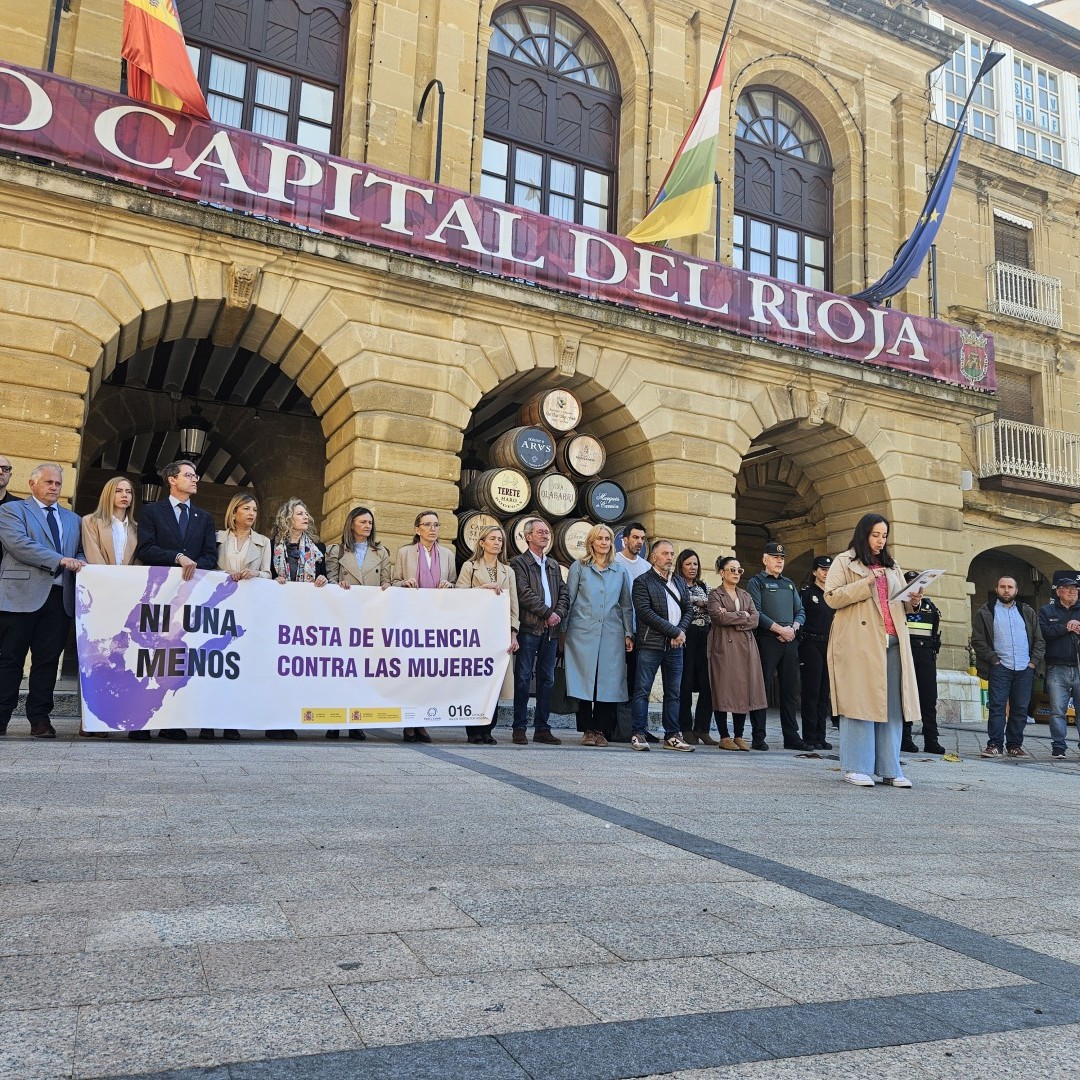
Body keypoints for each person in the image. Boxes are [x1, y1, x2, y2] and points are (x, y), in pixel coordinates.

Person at [823, 513, 922, 788]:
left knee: (892, 706)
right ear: (864, 534)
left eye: (884, 536)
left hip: (892, 641)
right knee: (860, 702)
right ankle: (856, 766)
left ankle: (891, 767)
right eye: (876, 535)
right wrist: (865, 583)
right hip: (859, 642)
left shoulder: (892, 566)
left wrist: (914, 600)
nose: (881, 541)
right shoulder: (844, 561)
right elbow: (831, 597)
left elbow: (900, 602)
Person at [0, 464, 86, 739]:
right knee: (9, 659)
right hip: (20, 597)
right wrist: (60, 560)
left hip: (59, 599)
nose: (54, 487)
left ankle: (40, 719)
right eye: (48, 482)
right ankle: (1, 717)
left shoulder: (73, 519)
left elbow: (82, 551)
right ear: (32, 484)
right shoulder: (11, 511)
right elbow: (19, 545)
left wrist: (82, 561)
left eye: (58, 483)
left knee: (47, 662)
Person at [136, 460, 218, 742]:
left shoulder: (204, 517)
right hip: (158, 596)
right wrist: (177, 558)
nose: (195, 480)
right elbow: (146, 548)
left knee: (180, 656)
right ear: (172, 479)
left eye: (195, 475)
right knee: (151, 654)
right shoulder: (151, 512)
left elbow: (210, 555)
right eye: (189, 475)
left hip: (189, 598)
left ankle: (173, 721)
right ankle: (142, 721)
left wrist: (195, 566)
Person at [79, 476, 140, 738]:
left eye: (128, 491)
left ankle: (113, 716)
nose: (124, 495)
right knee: (96, 657)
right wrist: (113, 583)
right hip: (101, 595)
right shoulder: (90, 521)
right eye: (119, 491)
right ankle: (89, 720)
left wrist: (128, 584)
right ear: (108, 494)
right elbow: (93, 556)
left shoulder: (137, 527)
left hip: (128, 598)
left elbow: (140, 560)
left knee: (121, 658)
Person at [564, 524, 633, 747]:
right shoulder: (579, 567)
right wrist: (562, 632)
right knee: (582, 680)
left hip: (611, 633)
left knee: (608, 682)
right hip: (582, 632)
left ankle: (600, 730)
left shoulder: (620, 570)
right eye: (600, 538)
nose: (604, 542)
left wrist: (628, 632)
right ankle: (587, 730)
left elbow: (626, 605)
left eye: (607, 539)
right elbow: (569, 599)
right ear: (591, 542)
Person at [210, 492, 272, 741]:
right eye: (246, 508)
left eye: (254, 510)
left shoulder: (263, 542)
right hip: (219, 608)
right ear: (234, 512)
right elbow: (208, 568)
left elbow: (269, 573)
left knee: (238, 667)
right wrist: (225, 574)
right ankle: (208, 722)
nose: (251, 513)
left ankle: (231, 722)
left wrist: (254, 574)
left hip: (247, 610)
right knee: (215, 666)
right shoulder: (217, 538)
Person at [268, 498, 328, 740]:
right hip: (278, 614)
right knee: (276, 668)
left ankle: (289, 719)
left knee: (295, 670)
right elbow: (268, 574)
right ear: (288, 518)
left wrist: (323, 581)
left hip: (303, 616)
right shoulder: (273, 546)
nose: (306, 517)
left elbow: (323, 577)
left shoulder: (317, 547)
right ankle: (273, 722)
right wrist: (274, 581)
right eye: (300, 513)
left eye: (306, 513)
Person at [394, 510, 456, 742]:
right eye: (427, 524)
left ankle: (423, 723)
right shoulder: (405, 552)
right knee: (410, 672)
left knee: (429, 673)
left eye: (436, 525)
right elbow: (393, 582)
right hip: (411, 620)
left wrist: (448, 585)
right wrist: (404, 583)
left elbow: (454, 583)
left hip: (436, 622)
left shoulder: (448, 555)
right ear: (417, 529)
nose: (433, 529)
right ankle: (409, 723)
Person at [455, 524, 519, 744]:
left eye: (499, 539)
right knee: (475, 681)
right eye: (492, 539)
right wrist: (482, 590)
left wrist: (513, 633)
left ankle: (488, 729)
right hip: (475, 632)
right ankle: (473, 731)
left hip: (498, 633)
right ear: (482, 543)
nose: (497, 543)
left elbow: (513, 605)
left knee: (494, 681)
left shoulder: (507, 571)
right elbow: (459, 594)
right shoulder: (469, 567)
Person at [630, 539, 694, 752]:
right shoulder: (642, 581)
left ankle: (672, 735)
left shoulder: (679, 582)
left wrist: (681, 631)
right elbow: (645, 613)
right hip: (651, 643)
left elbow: (688, 610)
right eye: (665, 553)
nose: (669, 558)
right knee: (642, 690)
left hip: (676, 646)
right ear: (654, 557)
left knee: (673, 692)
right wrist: (674, 631)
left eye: (671, 554)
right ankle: (638, 733)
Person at [747, 541, 811, 751]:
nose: (779, 561)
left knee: (790, 691)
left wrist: (792, 628)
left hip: (789, 640)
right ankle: (758, 736)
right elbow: (756, 612)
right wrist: (780, 630)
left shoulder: (789, 584)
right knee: (762, 688)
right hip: (768, 640)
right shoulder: (757, 582)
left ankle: (791, 737)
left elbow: (800, 610)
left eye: (782, 558)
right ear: (765, 559)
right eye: (775, 557)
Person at [971, 575, 1044, 759]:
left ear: (1016, 590)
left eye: (1010, 587)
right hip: (1000, 667)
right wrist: (994, 660)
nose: (1006, 590)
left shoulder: (1027, 611)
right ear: (997, 589)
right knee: (997, 707)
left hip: (1024, 668)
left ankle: (1014, 745)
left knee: (1020, 709)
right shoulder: (986, 611)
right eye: (1002, 586)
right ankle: (994, 745)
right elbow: (978, 641)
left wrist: (1032, 663)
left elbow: (1039, 640)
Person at [509, 517, 568, 746]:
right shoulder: (518, 563)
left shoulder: (553, 565)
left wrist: (558, 614)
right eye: (540, 532)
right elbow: (523, 593)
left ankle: (542, 728)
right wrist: (547, 613)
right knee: (523, 678)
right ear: (528, 537)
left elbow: (564, 593)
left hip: (551, 631)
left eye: (547, 532)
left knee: (548, 680)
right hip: (529, 628)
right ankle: (519, 727)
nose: (545, 535)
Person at [708, 556, 767, 751]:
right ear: (722, 572)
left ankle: (739, 735)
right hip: (724, 647)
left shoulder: (745, 595)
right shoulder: (715, 594)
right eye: (732, 569)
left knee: (743, 689)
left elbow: (756, 619)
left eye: (739, 570)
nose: (736, 573)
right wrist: (743, 616)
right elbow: (718, 616)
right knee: (723, 688)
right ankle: (724, 736)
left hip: (746, 648)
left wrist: (733, 616)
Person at [614, 522, 653, 742]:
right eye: (635, 537)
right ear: (624, 539)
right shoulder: (615, 561)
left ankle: (637, 728)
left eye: (642, 538)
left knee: (638, 683)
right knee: (617, 681)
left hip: (641, 634)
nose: (639, 542)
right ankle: (616, 727)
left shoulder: (646, 567)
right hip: (617, 631)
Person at [902, 570, 946, 755]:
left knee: (929, 698)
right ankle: (905, 739)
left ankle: (931, 739)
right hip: (907, 652)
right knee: (905, 697)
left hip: (926, 654)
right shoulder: (900, 606)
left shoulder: (930, 606)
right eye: (911, 583)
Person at [676, 549, 717, 745]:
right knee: (685, 683)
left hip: (705, 635)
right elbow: (681, 604)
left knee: (708, 683)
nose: (693, 568)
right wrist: (697, 602)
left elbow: (713, 606)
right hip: (686, 634)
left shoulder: (703, 585)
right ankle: (685, 728)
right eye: (688, 564)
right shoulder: (676, 584)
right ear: (680, 566)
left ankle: (702, 728)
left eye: (695, 564)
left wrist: (697, 601)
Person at [1040, 570, 1080, 760]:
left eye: (1075, 589)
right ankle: (1059, 747)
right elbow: (1044, 633)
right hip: (1057, 667)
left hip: (1079, 667)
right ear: (1059, 591)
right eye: (1069, 589)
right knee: (1057, 710)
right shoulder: (1046, 611)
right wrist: (1065, 627)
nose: (1073, 592)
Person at [798, 556, 835, 751]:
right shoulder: (806, 593)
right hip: (811, 643)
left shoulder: (834, 595)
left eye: (829, 569)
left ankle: (821, 735)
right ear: (814, 572)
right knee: (811, 692)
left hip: (829, 645)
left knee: (824, 693)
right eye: (822, 569)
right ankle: (809, 736)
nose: (826, 572)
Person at [327, 506, 392, 590]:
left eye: (370, 523)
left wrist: (387, 585)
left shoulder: (381, 551)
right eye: (363, 522)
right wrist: (340, 585)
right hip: (345, 599)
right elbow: (331, 582)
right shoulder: (337, 550)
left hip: (372, 601)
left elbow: (385, 580)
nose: (368, 526)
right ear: (351, 525)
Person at [0, 453, 19, 564]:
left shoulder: (22, 506)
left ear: (10, 475)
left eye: (5, 469)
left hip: (8, 573)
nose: (0, 472)